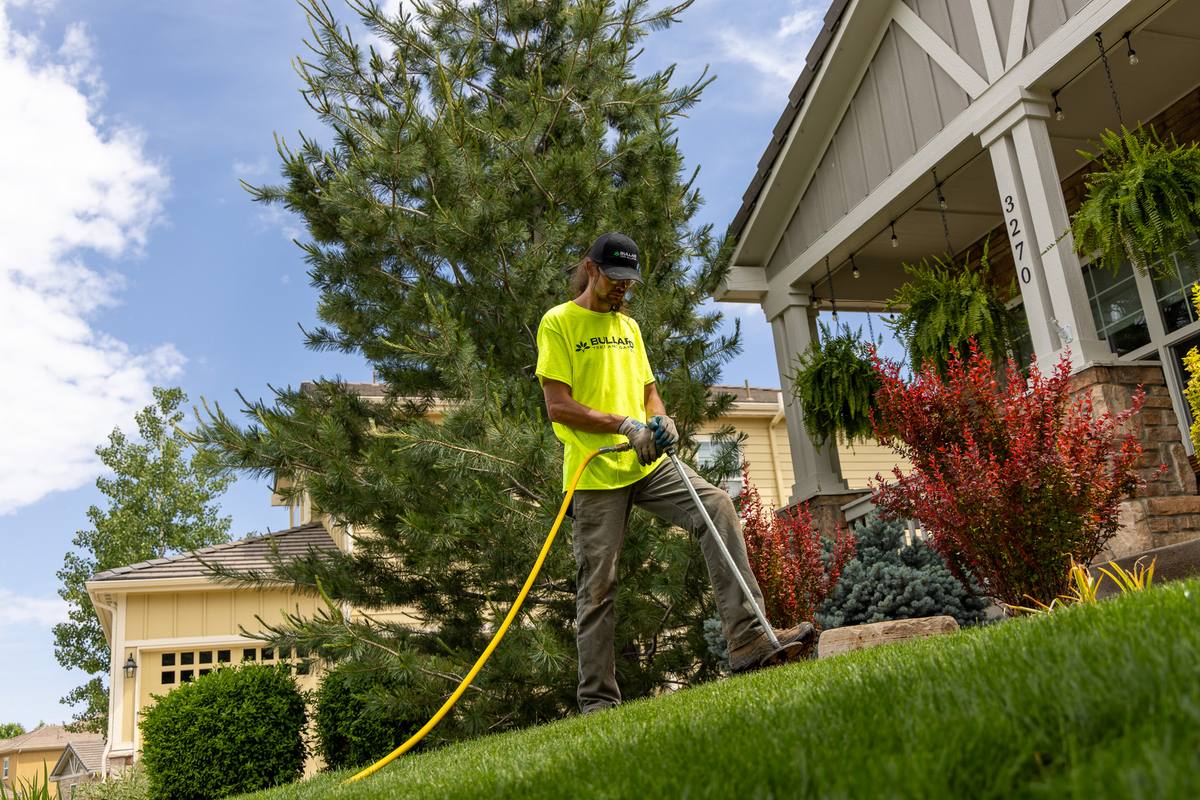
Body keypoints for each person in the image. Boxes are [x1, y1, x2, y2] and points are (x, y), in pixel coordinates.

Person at [535, 231, 815, 714]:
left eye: (630, 281)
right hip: (596, 473)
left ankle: (749, 639)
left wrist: (660, 419)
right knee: (598, 586)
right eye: (615, 278)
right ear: (591, 269)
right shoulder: (559, 323)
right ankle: (598, 701)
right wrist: (623, 425)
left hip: (646, 460)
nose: (623, 288)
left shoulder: (629, 329)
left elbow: (649, 394)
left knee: (718, 505)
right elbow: (558, 407)